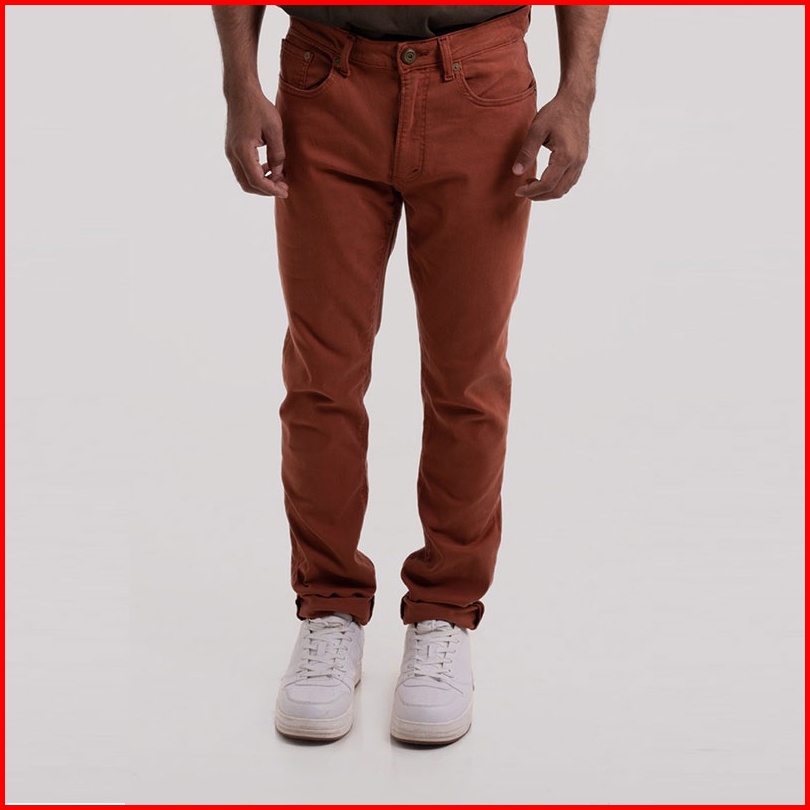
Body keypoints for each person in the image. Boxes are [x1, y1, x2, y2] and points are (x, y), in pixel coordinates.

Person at [211, 4, 609, 746]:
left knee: (468, 378)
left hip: (481, 84)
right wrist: (239, 85)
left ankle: (444, 615)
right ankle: (329, 608)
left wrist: (578, 91)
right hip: (325, 80)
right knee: (322, 376)